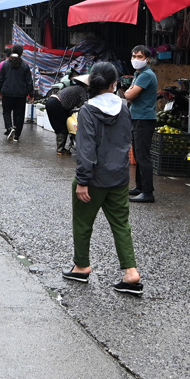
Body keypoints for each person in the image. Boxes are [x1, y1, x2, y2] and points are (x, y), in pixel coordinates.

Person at [63, 62, 143, 295]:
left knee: (83, 223)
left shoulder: (87, 110)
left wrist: (83, 181)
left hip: (94, 178)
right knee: (121, 225)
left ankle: (81, 266)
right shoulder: (124, 107)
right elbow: (126, 141)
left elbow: (86, 149)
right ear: (114, 84)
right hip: (119, 177)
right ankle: (131, 272)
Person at [124, 44, 161, 204]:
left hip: (144, 119)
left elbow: (129, 94)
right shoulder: (138, 74)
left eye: (139, 57)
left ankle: (147, 192)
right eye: (133, 56)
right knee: (138, 154)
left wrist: (128, 93)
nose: (136, 60)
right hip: (137, 117)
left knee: (143, 156)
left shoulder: (146, 75)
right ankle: (139, 187)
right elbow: (130, 95)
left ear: (147, 59)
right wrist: (129, 93)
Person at [43, 75, 90, 156]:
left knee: (60, 126)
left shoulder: (74, 87)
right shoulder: (81, 90)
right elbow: (84, 104)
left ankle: (61, 148)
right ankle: (61, 149)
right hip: (57, 104)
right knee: (63, 127)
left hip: (51, 101)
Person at [0, 47, 34, 142]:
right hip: (21, 94)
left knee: (7, 111)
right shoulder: (25, 65)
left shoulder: (5, 64)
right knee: (19, 114)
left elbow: (1, 79)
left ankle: (9, 128)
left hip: (7, 93)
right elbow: (29, 81)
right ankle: (17, 135)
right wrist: (31, 94)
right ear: (21, 53)